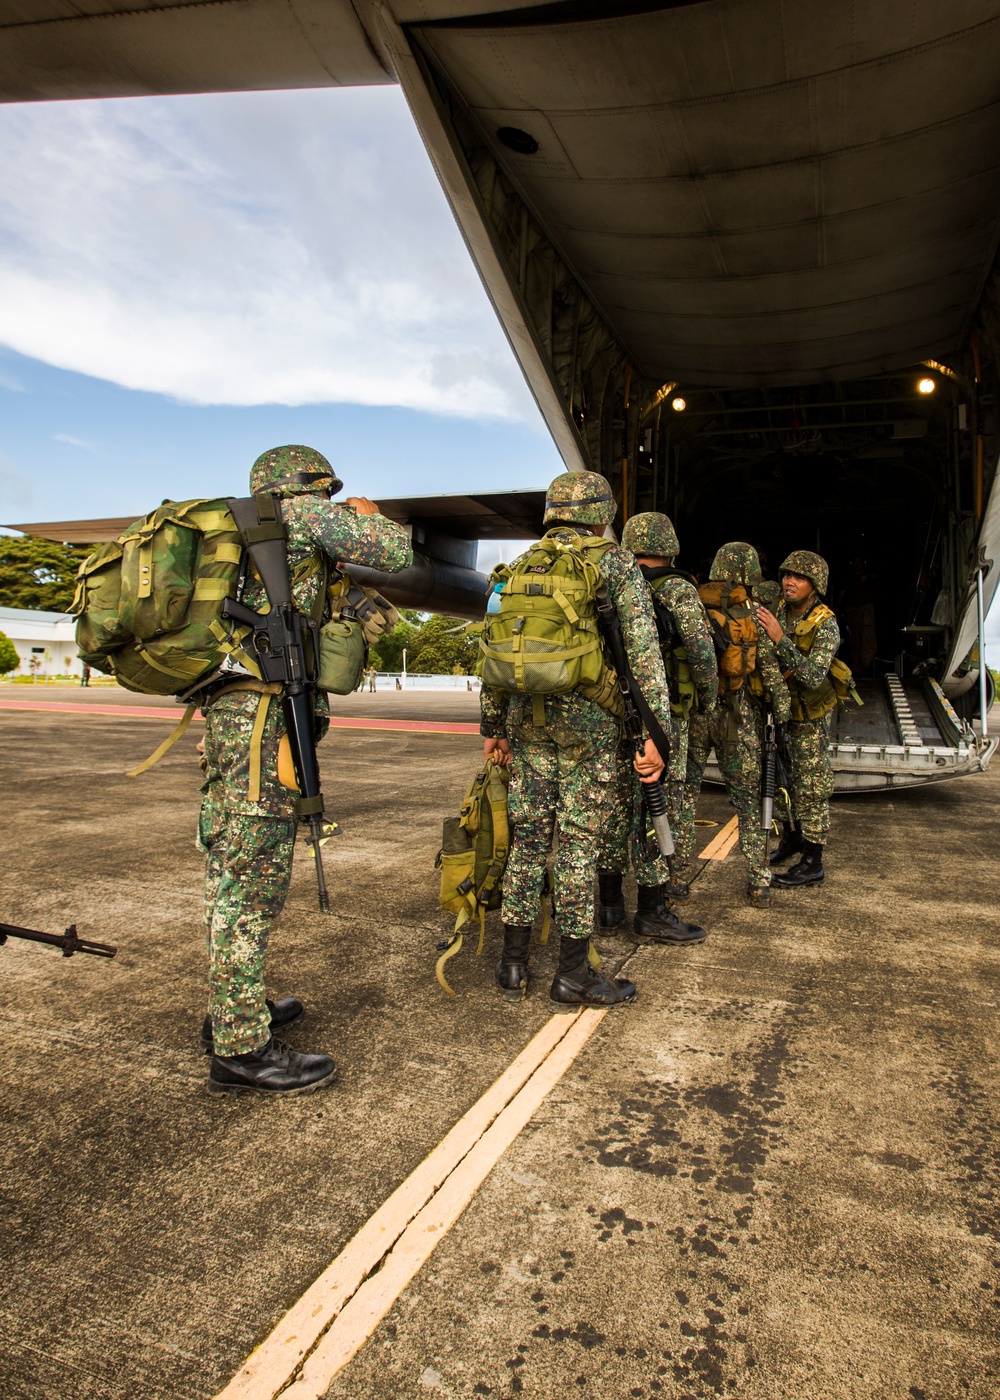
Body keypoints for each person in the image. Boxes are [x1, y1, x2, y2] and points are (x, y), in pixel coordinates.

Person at [198, 445, 412, 1095]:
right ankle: (239, 1051)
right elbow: (395, 553)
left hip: (236, 722)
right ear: (308, 487)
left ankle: (234, 1009)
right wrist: (367, 515)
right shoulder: (305, 516)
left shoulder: (239, 535)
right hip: (265, 731)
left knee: (230, 869)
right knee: (251, 883)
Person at [480, 471, 672, 1008]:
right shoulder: (614, 563)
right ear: (603, 512)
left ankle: (512, 963)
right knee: (578, 844)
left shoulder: (516, 566)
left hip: (526, 719)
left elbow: (492, 650)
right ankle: (571, 973)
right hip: (590, 723)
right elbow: (644, 657)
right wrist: (658, 736)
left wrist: (494, 728)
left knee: (529, 839)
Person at [596, 511, 717, 936]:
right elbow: (702, 651)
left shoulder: (608, 577)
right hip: (664, 718)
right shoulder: (679, 588)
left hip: (612, 711)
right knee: (660, 803)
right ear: (670, 548)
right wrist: (708, 697)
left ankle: (608, 904)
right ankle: (652, 907)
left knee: (613, 805)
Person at [685, 543, 790, 908]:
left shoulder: (693, 602)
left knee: (684, 796)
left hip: (697, 712)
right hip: (738, 714)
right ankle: (759, 880)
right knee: (748, 799)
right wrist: (781, 710)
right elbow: (768, 669)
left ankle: (677, 881)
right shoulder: (755, 611)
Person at [754, 550, 840, 888]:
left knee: (811, 787)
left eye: (799, 577)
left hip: (807, 718)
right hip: (778, 713)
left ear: (815, 585)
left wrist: (780, 638)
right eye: (787, 575)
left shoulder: (826, 624)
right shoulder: (778, 610)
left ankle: (813, 860)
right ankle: (791, 839)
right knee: (780, 782)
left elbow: (813, 675)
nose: (790, 582)